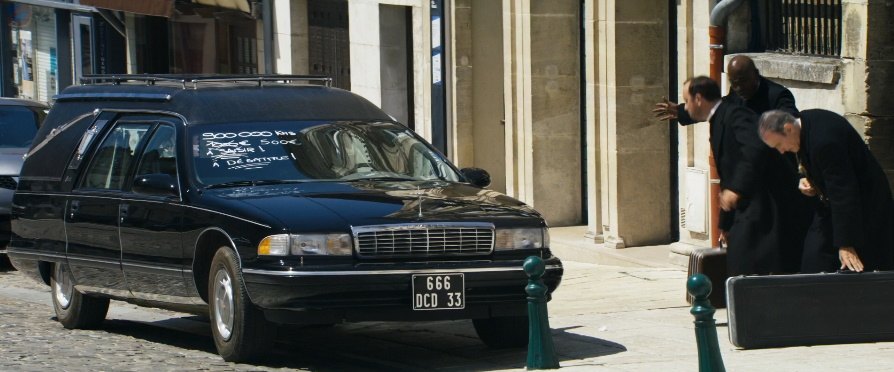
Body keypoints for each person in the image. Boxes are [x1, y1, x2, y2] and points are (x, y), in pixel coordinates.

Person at [681, 76, 802, 275]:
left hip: (764, 209)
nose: (685, 108)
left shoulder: (735, 115)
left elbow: (755, 148)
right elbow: (729, 173)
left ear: (699, 99)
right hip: (747, 212)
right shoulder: (721, 117)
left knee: (752, 270)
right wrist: (725, 224)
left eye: (686, 101)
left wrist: (736, 189)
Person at [758, 109, 894, 273]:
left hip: (862, 210)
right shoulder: (803, 125)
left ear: (788, 128)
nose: (781, 150)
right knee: (814, 259)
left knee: (858, 265)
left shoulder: (824, 142)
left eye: (779, 144)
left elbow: (843, 191)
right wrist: (807, 179)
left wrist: (846, 243)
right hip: (832, 210)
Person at [654, 55, 798, 123]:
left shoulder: (778, 95)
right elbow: (719, 107)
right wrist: (683, 110)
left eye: (743, 81)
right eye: (734, 83)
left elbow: (793, 124)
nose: (739, 87)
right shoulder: (736, 93)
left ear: (755, 74)